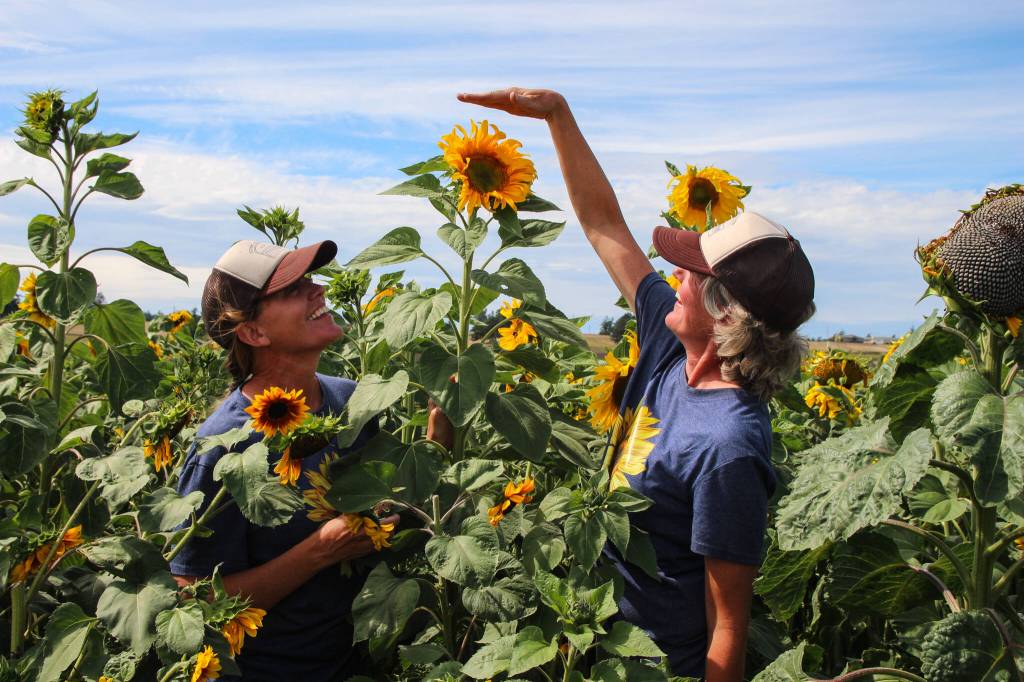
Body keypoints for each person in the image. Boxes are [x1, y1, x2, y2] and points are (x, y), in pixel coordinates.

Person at [458, 88, 814, 681]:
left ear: (727, 314)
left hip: (651, 666)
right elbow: (605, 226)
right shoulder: (672, 346)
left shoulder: (727, 447)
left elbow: (727, 620)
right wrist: (556, 115)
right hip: (594, 642)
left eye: (693, 272)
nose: (674, 272)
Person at [170, 239, 451, 681]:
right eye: (291, 288)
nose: (317, 289)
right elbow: (194, 599)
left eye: (309, 278)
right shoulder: (223, 447)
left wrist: (437, 444)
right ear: (254, 332)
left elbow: (390, 512)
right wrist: (318, 551)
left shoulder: (353, 401)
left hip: (356, 663)